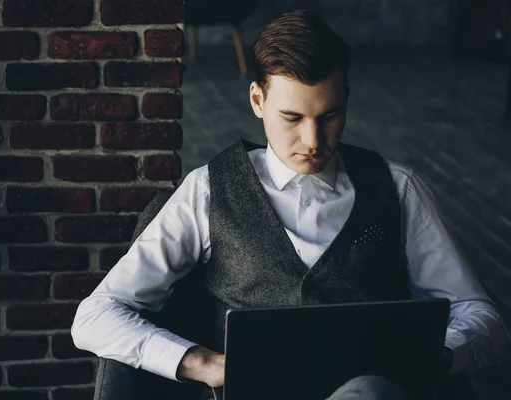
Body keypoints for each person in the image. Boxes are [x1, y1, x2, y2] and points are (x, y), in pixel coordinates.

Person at [71, 9, 509, 400]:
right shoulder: (206, 190)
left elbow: (483, 318)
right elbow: (95, 315)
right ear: (258, 101)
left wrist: (432, 356)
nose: (314, 142)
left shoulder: (399, 189)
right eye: (293, 118)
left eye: (330, 116)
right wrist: (202, 363)